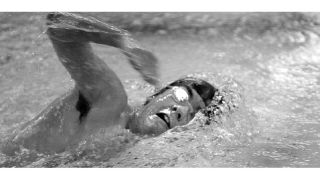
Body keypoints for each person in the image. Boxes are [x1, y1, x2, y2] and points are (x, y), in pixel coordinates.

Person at [9, 12, 218, 153]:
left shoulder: (130, 148)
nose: (181, 110)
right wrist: (122, 41)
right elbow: (57, 23)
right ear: (157, 93)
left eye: (192, 114)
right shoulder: (110, 100)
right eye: (183, 96)